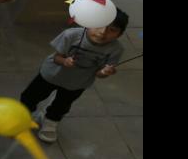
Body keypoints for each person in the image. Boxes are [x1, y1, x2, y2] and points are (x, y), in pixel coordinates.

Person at [21, 8, 129, 143]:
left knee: (62, 105)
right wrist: (64, 61)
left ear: (120, 34)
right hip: (51, 75)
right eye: (98, 26)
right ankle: (22, 114)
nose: (103, 32)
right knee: (31, 96)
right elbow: (56, 58)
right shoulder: (71, 35)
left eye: (112, 30)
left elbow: (99, 73)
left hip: (77, 83)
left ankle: (51, 121)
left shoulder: (116, 49)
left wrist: (104, 72)